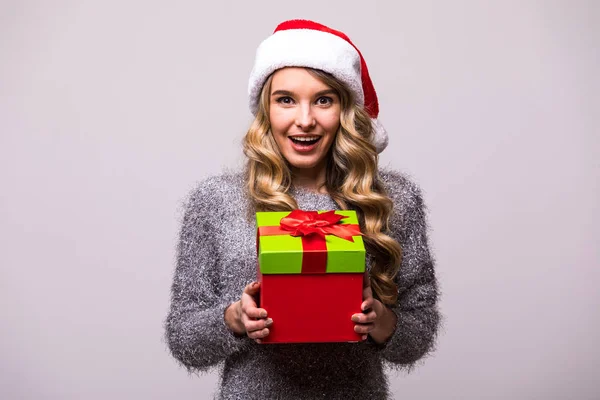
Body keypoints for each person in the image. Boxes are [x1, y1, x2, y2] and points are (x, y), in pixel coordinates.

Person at [164, 19, 440, 399]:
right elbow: (183, 338)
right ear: (266, 108)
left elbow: (419, 333)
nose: (305, 119)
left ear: (345, 109)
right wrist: (234, 319)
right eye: (286, 99)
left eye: (323, 100)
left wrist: (381, 321)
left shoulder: (393, 200)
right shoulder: (217, 201)